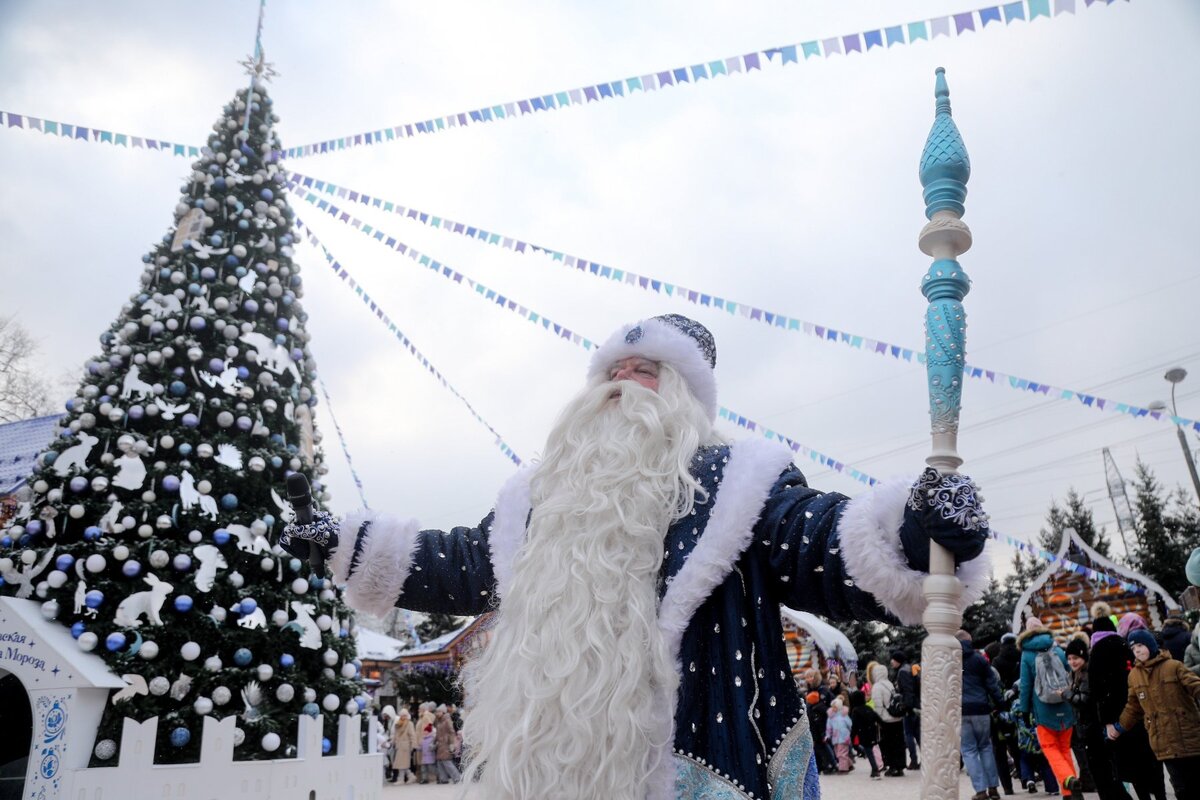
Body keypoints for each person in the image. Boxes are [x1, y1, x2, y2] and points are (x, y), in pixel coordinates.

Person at [279, 314, 992, 800]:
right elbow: (463, 563)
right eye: (611, 373)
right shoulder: (536, 499)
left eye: (643, 370)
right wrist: (347, 545)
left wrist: (910, 526)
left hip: (704, 764)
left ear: (682, 393)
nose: (620, 385)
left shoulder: (737, 480)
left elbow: (817, 542)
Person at [1108, 629, 1200, 798]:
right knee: (1180, 787)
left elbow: (1195, 686)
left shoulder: (1173, 666)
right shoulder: (1134, 676)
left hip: (1188, 735)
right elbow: (1133, 707)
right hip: (1162, 740)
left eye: (1140, 646)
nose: (1137, 650)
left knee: (1195, 782)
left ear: (1150, 645)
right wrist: (1119, 727)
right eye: (1133, 648)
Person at [1089, 612, 1167, 800]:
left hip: (1118, 718)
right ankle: (1161, 795)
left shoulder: (1097, 651)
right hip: (1141, 710)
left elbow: (1097, 691)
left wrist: (1107, 722)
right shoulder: (1125, 645)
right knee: (1151, 760)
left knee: (1133, 767)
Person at [1016, 618, 1082, 797]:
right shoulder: (1057, 649)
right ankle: (1070, 793)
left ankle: (1068, 779)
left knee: (1049, 747)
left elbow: (1026, 686)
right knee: (1064, 749)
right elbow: (1070, 673)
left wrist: (1024, 709)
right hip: (1065, 705)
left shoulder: (1027, 654)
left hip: (1043, 708)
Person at [1063, 634, 1128, 800]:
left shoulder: (1087, 674)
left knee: (1104, 773)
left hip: (1094, 729)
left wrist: (1067, 694)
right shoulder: (1073, 675)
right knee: (1099, 772)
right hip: (1086, 729)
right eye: (1069, 658)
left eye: (1076, 658)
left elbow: (1085, 700)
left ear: (1084, 656)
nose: (1072, 662)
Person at [958, 629, 1002, 800]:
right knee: (985, 747)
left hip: (962, 710)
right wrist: (1000, 704)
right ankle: (993, 788)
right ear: (970, 641)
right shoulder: (979, 659)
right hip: (982, 709)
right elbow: (992, 684)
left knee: (968, 750)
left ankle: (980, 791)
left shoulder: (951, 660)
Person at [871, 662, 908, 777]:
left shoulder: (877, 687)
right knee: (899, 743)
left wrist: (879, 719)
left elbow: (878, 705)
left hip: (886, 720)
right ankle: (900, 766)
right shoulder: (890, 684)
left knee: (888, 744)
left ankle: (892, 766)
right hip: (897, 717)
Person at [890, 649, 922, 771]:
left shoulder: (903, 672)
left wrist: (906, 707)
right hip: (916, 706)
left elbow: (908, 691)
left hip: (910, 707)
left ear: (898, 660)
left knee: (908, 734)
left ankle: (913, 760)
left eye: (893, 659)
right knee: (918, 734)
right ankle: (925, 759)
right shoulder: (909, 668)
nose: (891, 662)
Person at [849, 689, 883, 780]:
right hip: (872, 732)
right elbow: (878, 718)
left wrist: (852, 736)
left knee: (869, 752)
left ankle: (875, 769)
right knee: (871, 750)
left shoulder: (855, 711)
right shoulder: (868, 708)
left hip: (863, 734)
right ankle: (876, 768)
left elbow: (854, 725)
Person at [434, 705, 462, 784]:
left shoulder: (447, 720)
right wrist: (434, 742)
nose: (437, 713)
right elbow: (437, 733)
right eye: (436, 712)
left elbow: (451, 732)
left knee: (447, 761)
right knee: (440, 762)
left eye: (438, 712)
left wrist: (451, 744)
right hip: (440, 744)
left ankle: (457, 778)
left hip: (446, 744)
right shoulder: (438, 721)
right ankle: (443, 779)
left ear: (443, 712)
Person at [390, 708, 418, 785]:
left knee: (403, 764)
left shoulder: (410, 724)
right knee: (401, 764)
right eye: (402, 715)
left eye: (405, 715)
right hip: (399, 746)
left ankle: (402, 779)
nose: (403, 717)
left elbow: (412, 735)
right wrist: (392, 742)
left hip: (406, 746)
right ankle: (410, 776)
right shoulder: (398, 724)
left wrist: (413, 745)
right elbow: (396, 735)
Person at [826, 699, 854, 773]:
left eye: (835, 707)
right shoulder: (831, 716)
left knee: (841, 753)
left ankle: (843, 769)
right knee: (838, 753)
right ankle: (849, 764)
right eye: (833, 707)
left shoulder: (844, 715)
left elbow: (850, 725)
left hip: (844, 737)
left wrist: (850, 733)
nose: (833, 709)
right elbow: (829, 727)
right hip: (835, 737)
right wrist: (828, 735)